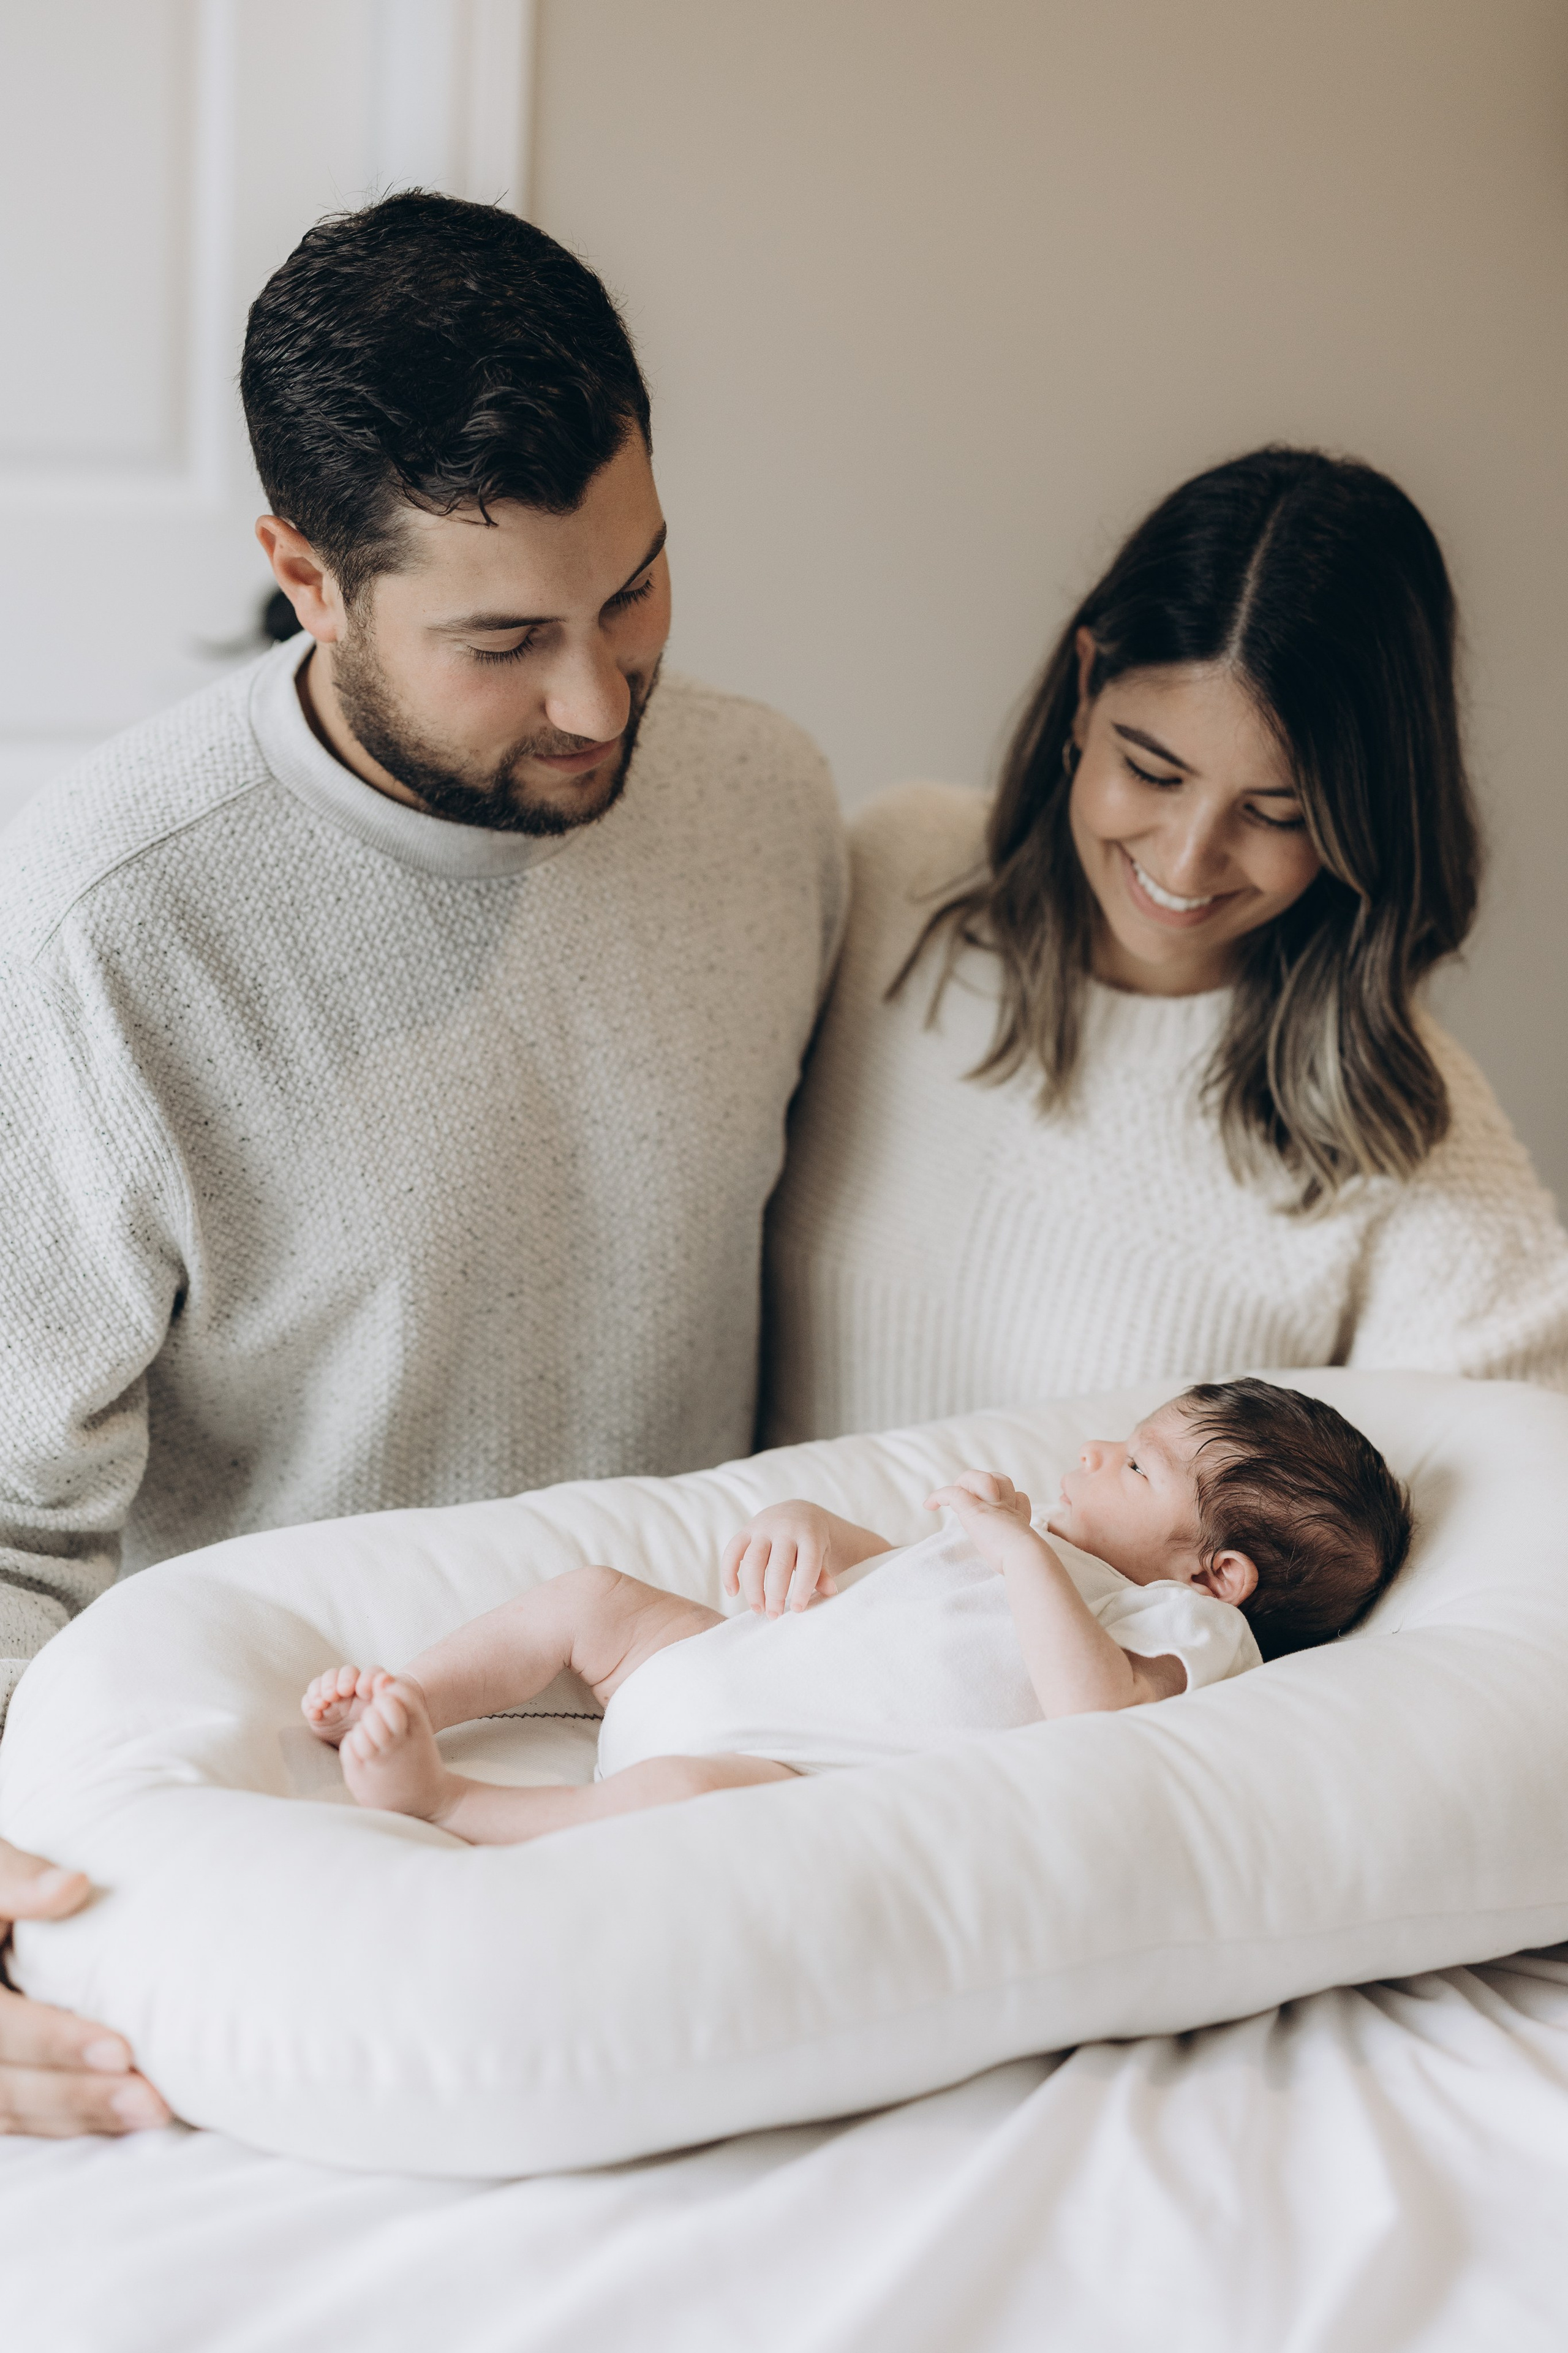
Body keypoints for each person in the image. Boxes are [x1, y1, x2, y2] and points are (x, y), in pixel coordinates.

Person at [0, 192, 845, 2134]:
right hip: (303, 1852)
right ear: (305, 574)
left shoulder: (764, 801)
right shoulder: (113, 927)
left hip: (705, 1801)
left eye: (633, 592)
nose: (597, 697)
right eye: (504, 640)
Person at [763, 446, 1568, 1446]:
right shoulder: (896, 877)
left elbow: (1518, 1512)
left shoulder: (1402, 1128)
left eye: (1276, 814)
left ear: (1366, 821)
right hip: (739, 1594)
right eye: (1152, 771)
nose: (1187, 865)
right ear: (1087, 683)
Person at [301, 1380, 1411, 1841]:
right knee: (592, 1598)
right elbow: (888, 1575)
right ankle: (408, 1693)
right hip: (710, 1662)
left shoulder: (1189, 1631)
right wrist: (803, 1523)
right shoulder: (1040, 1549)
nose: (1094, 1451)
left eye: (1136, 1467)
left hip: (775, 1758)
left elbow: (1092, 1712)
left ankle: (445, 1800)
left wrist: (1019, 1546)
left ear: (1219, 1574)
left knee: (680, 1796)